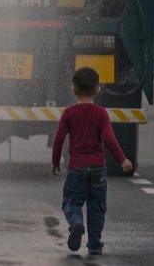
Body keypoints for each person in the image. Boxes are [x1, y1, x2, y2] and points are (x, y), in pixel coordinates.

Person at [51, 67, 133, 256]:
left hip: (76, 168)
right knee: (97, 206)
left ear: (73, 89)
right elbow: (109, 139)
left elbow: (59, 139)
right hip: (97, 168)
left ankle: (76, 222)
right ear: (98, 90)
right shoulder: (101, 113)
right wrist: (122, 160)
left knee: (71, 201)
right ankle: (95, 244)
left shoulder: (69, 113)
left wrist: (55, 162)